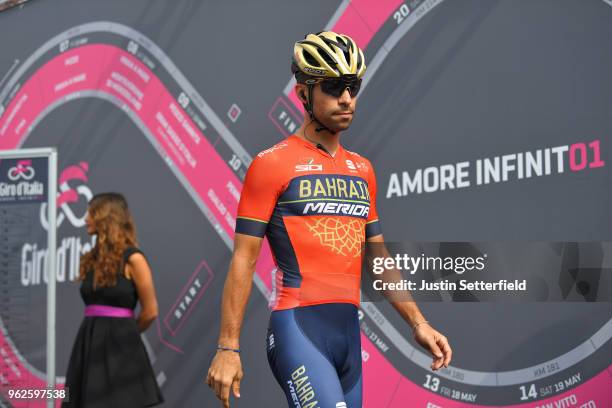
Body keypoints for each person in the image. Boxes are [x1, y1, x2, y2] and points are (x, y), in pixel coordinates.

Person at [207, 31, 452, 408]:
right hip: (298, 329)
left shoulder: (363, 170)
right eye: (334, 87)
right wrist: (228, 346)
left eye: (353, 86)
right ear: (304, 93)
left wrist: (418, 323)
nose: (347, 99)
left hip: (348, 335)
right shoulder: (271, 164)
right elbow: (244, 257)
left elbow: (379, 259)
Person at [62, 193, 163, 408]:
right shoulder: (92, 258)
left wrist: (125, 334)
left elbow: (150, 311)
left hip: (121, 348)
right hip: (88, 343)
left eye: (91, 212)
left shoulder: (134, 259)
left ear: (107, 217)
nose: (85, 219)